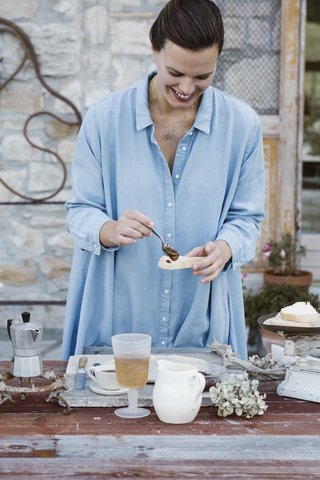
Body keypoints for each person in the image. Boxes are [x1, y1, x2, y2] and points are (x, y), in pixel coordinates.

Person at [61, 0, 265, 360]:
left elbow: (246, 218)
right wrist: (109, 229)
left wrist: (226, 248)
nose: (187, 88)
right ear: (154, 50)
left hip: (203, 318)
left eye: (202, 76)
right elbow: (80, 211)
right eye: (176, 73)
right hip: (114, 321)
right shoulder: (103, 119)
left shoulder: (243, 125)